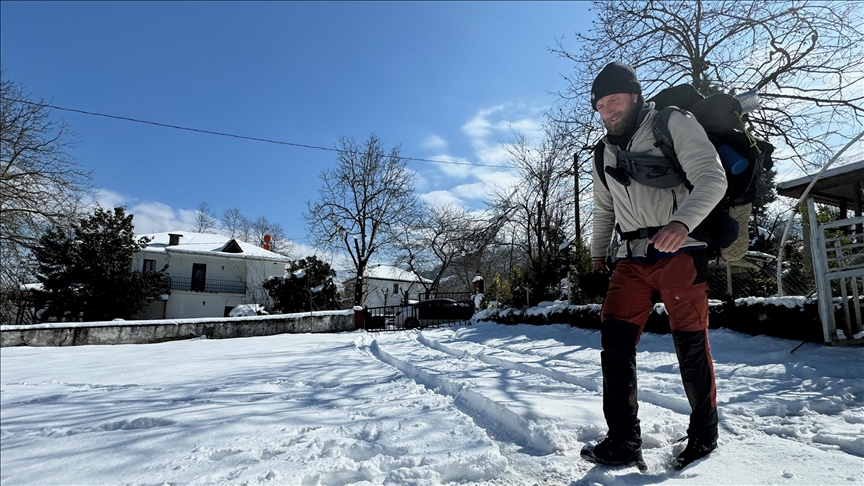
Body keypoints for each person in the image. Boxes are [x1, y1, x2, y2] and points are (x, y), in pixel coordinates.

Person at [580, 62, 725, 471]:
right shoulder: (603, 151)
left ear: (635, 95)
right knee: (615, 344)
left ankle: (704, 433)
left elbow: (712, 178)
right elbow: (603, 210)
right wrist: (596, 255)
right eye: (600, 105)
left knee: (690, 344)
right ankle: (624, 440)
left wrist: (682, 223)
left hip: (682, 250)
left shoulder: (671, 123)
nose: (607, 110)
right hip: (631, 259)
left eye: (614, 99)